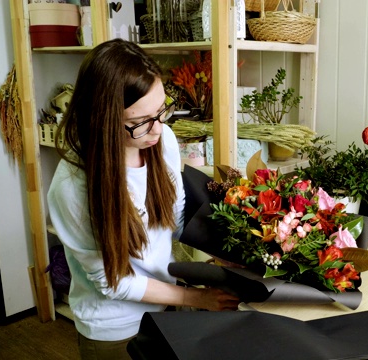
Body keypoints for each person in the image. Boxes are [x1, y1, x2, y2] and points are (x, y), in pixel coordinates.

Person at [47, 38, 240, 359]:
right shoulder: (72, 188)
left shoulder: (160, 138)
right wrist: (196, 298)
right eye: (139, 122)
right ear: (103, 120)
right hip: (116, 329)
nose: (158, 128)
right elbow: (115, 283)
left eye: (162, 110)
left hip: (167, 306)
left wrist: (222, 256)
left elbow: (173, 215)